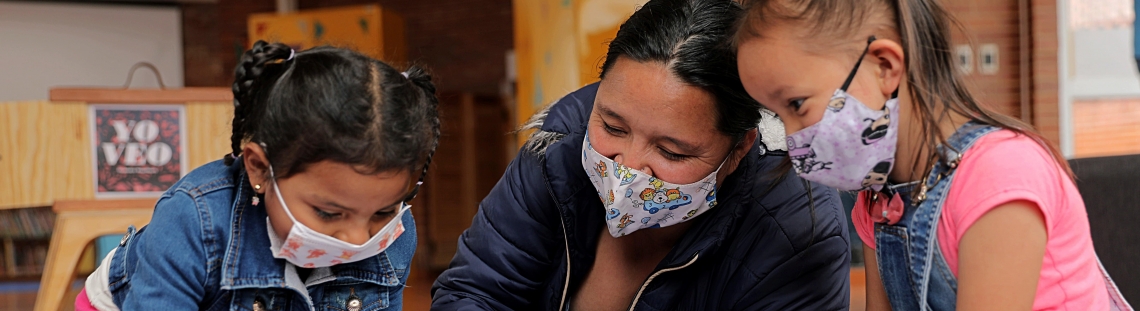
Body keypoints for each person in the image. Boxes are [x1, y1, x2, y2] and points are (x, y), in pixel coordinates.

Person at [431, 0, 850, 309]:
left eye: (671, 151)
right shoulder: (556, 148)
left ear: (739, 148)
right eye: (613, 127)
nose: (626, 169)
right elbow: (475, 291)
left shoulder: (797, 227)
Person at [733, 0, 1134, 310]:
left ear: (885, 66)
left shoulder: (1000, 174)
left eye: (797, 104)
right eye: (777, 114)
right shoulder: (877, 199)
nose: (791, 137)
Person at [75, 41, 440, 311]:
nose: (357, 239)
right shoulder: (192, 220)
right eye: (329, 214)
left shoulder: (393, 236)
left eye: (381, 213)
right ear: (260, 169)